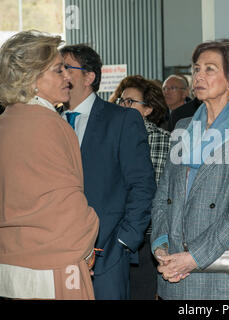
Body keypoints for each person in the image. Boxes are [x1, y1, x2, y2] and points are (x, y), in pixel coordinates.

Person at [151, 39, 229, 300]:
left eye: (210, 69)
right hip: (176, 273)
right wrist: (160, 247)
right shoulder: (182, 128)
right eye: (196, 69)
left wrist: (193, 258)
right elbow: (162, 198)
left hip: (224, 276)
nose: (199, 76)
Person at [0, 30, 99, 300]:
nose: (68, 77)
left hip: (9, 265)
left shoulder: (6, 122)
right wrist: (88, 240)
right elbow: (66, 203)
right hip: (53, 263)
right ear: (31, 79)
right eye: (58, 70)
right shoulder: (51, 124)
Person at [59, 44, 157, 300]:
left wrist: (125, 241)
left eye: (66, 68)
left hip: (108, 251)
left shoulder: (122, 119)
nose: (60, 74)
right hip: (58, 251)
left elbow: (142, 184)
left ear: (89, 77)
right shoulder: (51, 121)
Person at [110, 75, 171, 299]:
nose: (123, 106)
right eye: (121, 101)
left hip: (148, 235)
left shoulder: (167, 141)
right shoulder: (112, 137)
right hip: (113, 232)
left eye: (130, 102)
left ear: (148, 109)